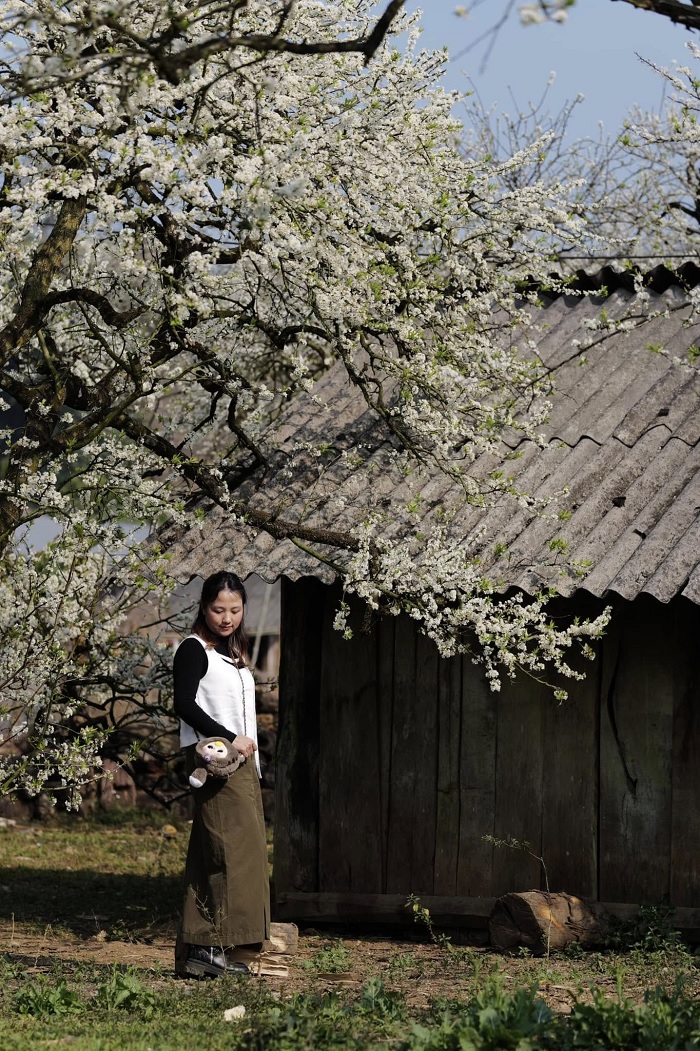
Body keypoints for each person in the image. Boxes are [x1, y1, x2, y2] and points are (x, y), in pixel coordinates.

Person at [172, 570, 270, 978]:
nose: (226, 618)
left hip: (241, 766)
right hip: (216, 765)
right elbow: (184, 704)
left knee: (217, 855)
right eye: (218, 609)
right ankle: (215, 946)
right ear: (203, 607)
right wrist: (231, 737)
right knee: (232, 857)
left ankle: (203, 950)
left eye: (234, 609)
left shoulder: (231, 653)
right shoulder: (194, 649)